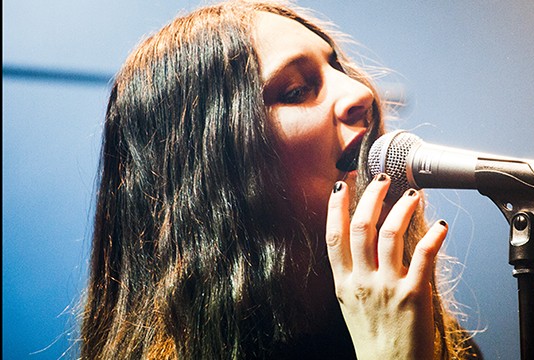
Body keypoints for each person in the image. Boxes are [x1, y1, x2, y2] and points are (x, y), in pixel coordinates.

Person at [80, 1, 482, 359]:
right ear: (217, 171)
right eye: (296, 91)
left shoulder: (436, 339)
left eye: (338, 67)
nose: (361, 91)